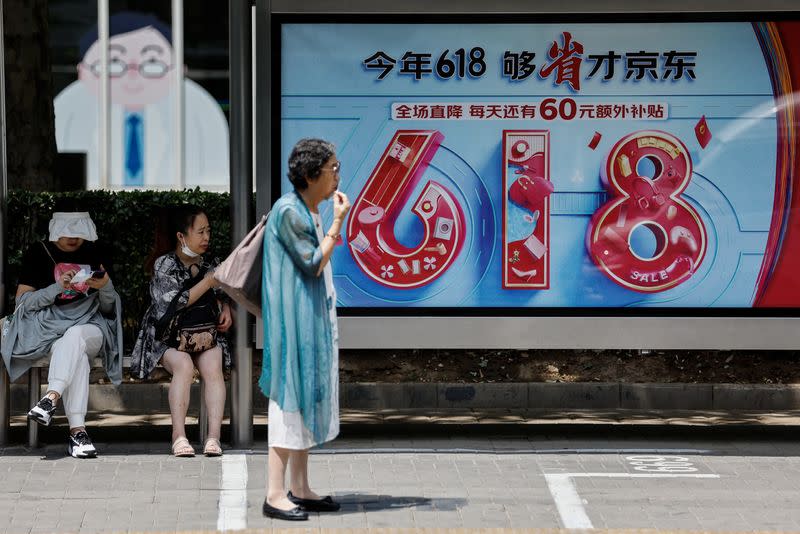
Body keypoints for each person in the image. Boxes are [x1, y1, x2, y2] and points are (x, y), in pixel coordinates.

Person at [260, 138, 350, 521]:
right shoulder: (289, 212)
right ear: (312, 175)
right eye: (332, 168)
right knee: (287, 404)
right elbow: (312, 262)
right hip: (291, 326)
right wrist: (338, 224)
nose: (336, 175)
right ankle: (274, 493)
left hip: (308, 321)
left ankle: (300, 487)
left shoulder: (306, 208)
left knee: (305, 400)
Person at [54, 11, 229, 189]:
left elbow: (216, 177)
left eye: (152, 62)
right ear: (82, 71)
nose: (132, 77)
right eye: (113, 62)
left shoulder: (200, 113)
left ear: (179, 71)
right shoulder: (67, 111)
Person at [0, 211, 123, 458]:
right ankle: (78, 434)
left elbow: (109, 309)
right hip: (51, 332)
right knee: (74, 353)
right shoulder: (38, 253)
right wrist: (58, 288)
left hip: (91, 325)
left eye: (79, 232)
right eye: (67, 231)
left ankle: (50, 398)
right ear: (55, 229)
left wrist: (105, 286)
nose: (73, 238)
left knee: (76, 335)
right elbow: (23, 302)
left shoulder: (95, 252)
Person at [131, 205, 232, 457]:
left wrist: (226, 307)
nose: (206, 237)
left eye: (208, 231)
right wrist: (208, 281)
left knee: (213, 364)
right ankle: (179, 436)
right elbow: (176, 302)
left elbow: (223, 292)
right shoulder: (164, 265)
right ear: (181, 236)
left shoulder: (211, 262)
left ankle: (213, 437)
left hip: (204, 335)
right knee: (184, 367)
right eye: (200, 232)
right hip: (168, 339)